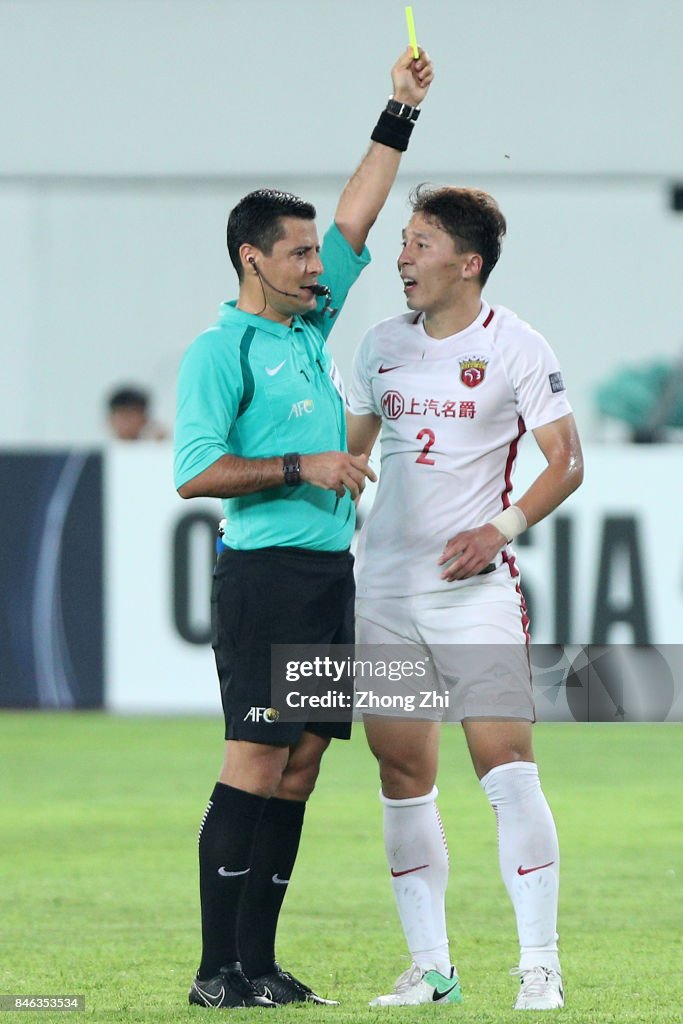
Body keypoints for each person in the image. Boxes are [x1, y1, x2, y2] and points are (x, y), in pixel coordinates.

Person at [173, 48, 434, 1010]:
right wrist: (303, 466)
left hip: (328, 578)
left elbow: (359, 211)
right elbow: (195, 471)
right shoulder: (221, 350)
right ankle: (213, 973)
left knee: (304, 764)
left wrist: (398, 111)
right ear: (254, 259)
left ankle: (260, 965)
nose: (319, 265)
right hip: (264, 577)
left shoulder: (304, 329)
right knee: (253, 757)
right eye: (300, 254)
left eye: (316, 255)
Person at [347, 184, 584, 1010]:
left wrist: (500, 527)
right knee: (401, 773)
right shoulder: (378, 345)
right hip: (382, 595)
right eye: (404, 242)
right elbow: (350, 463)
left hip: (473, 594)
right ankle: (430, 969)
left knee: (507, 768)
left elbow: (567, 461)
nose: (401, 258)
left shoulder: (515, 346)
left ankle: (538, 963)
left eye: (418, 244)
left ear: (466, 263)